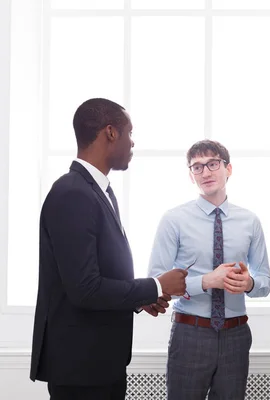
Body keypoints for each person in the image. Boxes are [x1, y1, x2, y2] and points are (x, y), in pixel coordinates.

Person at [30, 98, 188, 400]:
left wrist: (143, 297)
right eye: (130, 133)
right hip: (81, 369)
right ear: (111, 132)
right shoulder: (72, 193)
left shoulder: (98, 191)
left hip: (101, 364)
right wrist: (155, 285)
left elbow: (98, 274)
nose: (132, 142)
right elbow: (84, 289)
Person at [147, 139, 270, 399]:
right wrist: (205, 281)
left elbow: (265, 281)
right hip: (189, 333)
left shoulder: (249, 221)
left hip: (236, 335)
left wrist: (249, 284)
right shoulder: (174, 220)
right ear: (191, 175)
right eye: (197, 167)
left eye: (212, 164)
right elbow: (155, 282)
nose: (205, 172)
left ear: (228, 169)